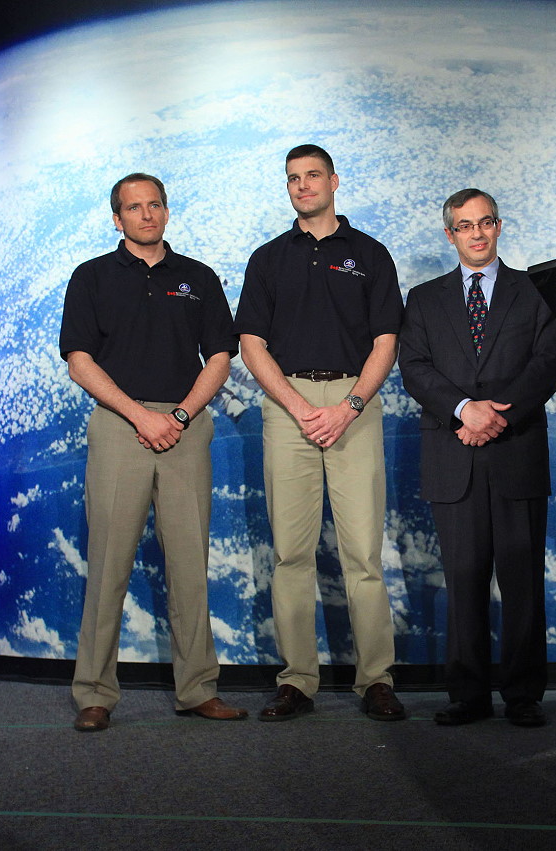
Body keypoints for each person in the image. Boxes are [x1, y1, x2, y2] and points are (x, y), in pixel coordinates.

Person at [60, 173, 246, 731]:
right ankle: (94, 693)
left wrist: (181, 416)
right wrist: (141, 416)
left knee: (190, 567)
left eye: (155, 205)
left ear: (166, 211)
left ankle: (198, 689)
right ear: (117, 218)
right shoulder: (91, 276)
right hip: (120, 426)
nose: (146, 215)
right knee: (108, 565)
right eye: (134, 207)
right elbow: (79, 361)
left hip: (185, 428)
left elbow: (219, 356)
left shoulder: (198, 277)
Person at [234, 145, 406, 722]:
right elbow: (251, 343)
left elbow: (386, 340)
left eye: (312, 175)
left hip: (355, 404)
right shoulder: (268, 259)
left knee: (363, 554)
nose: (303, 185)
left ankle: (376, 679)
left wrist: (350, 405)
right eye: (293, 179)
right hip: (289, 408)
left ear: (334, 181)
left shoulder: (370, 254)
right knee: (290, 554)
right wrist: (298, 405)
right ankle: (296, 681)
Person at [399, 189, 556, 727]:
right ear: (450, 234)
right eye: (465, 226)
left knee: (522, 581)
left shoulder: (533, 292)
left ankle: (523, 695)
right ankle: (467, 694)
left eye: (485, 222)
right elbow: (415, 368)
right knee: (464, 580)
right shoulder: (424, 299)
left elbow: (549, 361)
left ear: (499, 226)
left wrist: (497, 417)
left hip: (516, 453)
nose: (477, 233)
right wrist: (464, 410)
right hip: (454, 457)